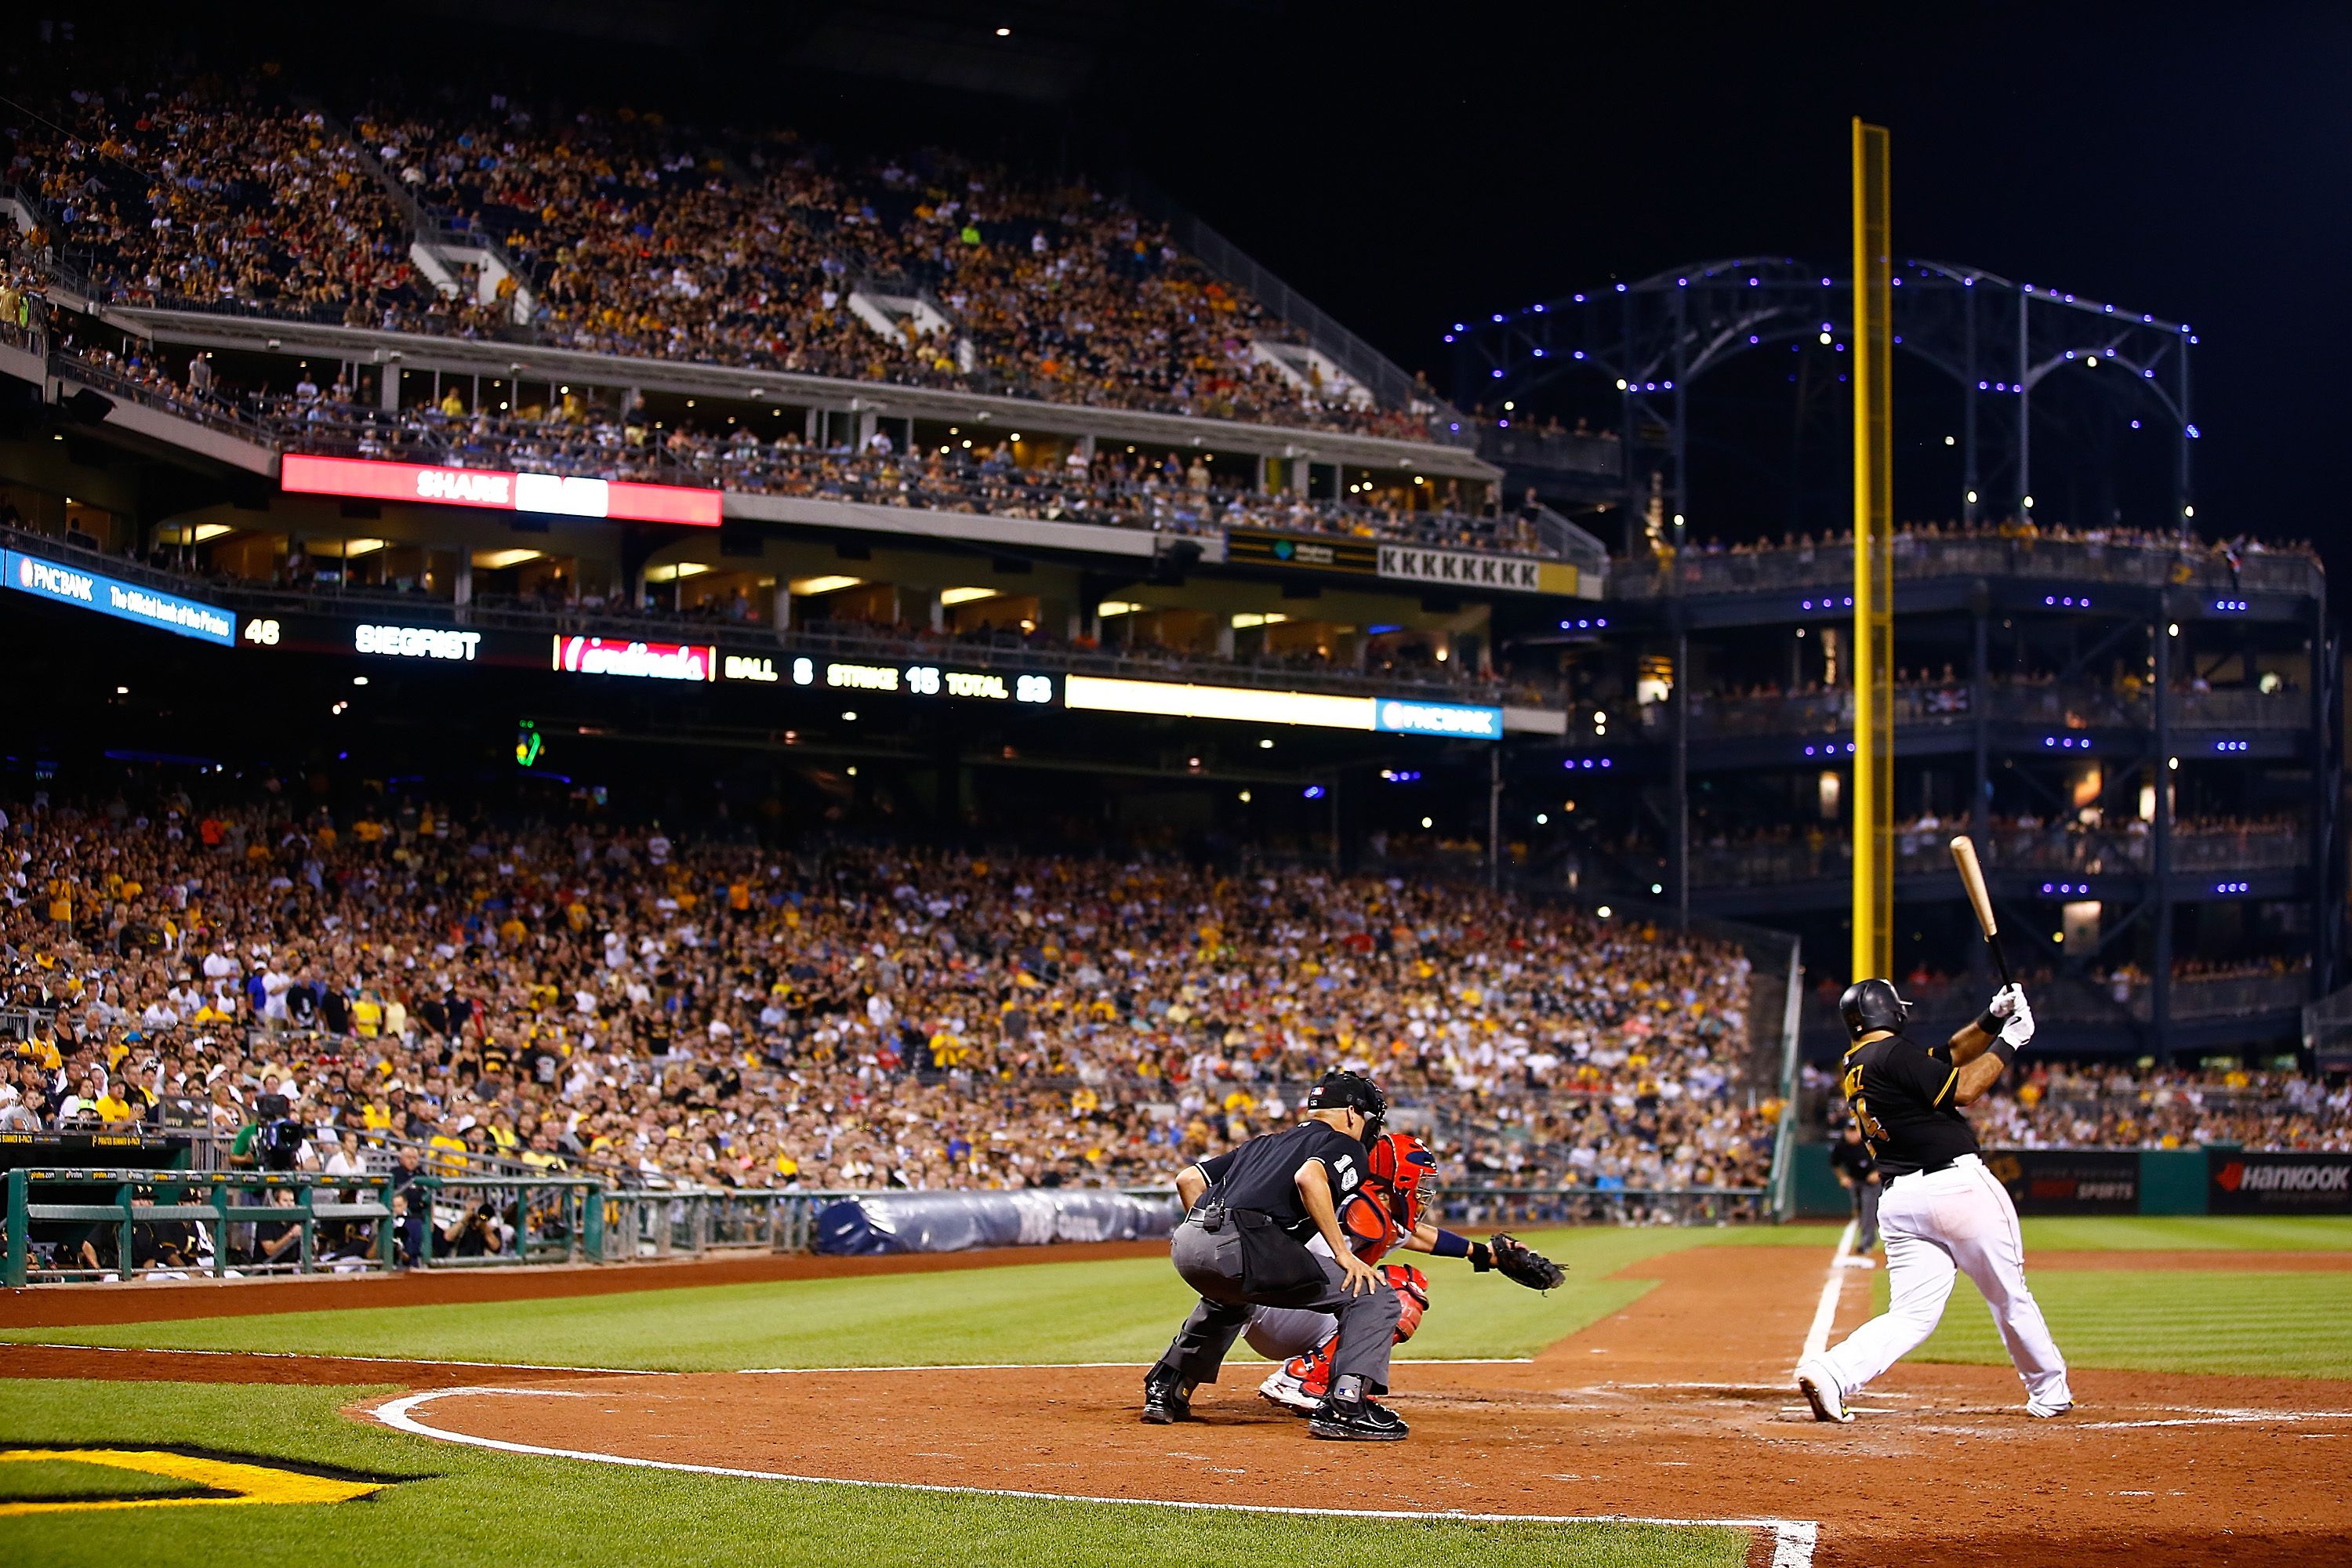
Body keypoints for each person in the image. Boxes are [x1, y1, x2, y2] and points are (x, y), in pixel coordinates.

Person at [1796, 978, 2073, 1423]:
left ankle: (1832, 1371)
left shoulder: (1859, 1064)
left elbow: (1948, 1055)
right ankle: (2050, 1391)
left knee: (1911, 1314)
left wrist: (1991, 1017)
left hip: (1901, 1202)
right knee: (2009, 1297)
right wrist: (2010, 1042)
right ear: (1887, 1011)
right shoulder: (1893, 1054)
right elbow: (1963, 1088)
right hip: (1957, 1188)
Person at [1142, 1070, 1409, 1440]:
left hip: (1188, 1240)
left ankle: (1167, 1386)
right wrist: (1342, 1255)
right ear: (1352, 1114)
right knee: (1374, 1297)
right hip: (1246, 1241)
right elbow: (1309, 1178)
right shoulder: (1344, 1145)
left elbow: (1189, 1178)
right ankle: (1347, 1405)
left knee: (1233, 1295)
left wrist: (1209, 1235)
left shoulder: (1264, 1143)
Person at [1828, 1117, 1881, 1263]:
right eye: (1849, 1131)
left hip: (1871, 1183)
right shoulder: (1841, 1145)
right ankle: (1865, 1240)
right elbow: (1835, 1163)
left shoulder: (1870, 1143)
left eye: (1854, 1131)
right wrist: (1843, 1177)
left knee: (1868, 1211)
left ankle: (1866, 1243)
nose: (1851, 1134)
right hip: (1855, 1180)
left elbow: (1886, 1159)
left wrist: (1877, 1173)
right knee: (1858, 1211)